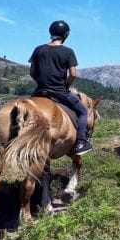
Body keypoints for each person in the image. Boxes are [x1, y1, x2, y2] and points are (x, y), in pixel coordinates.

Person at [28, 20, 92, 155]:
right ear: (66, 35)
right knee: (83, 112)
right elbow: (73, 74)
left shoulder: (38, 49)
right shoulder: (68, 51)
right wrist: (66, 86)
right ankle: (81, 142)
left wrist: (40, 82)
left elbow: (32, 72)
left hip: (39, 91)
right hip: (59, 92)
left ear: (51, 33)